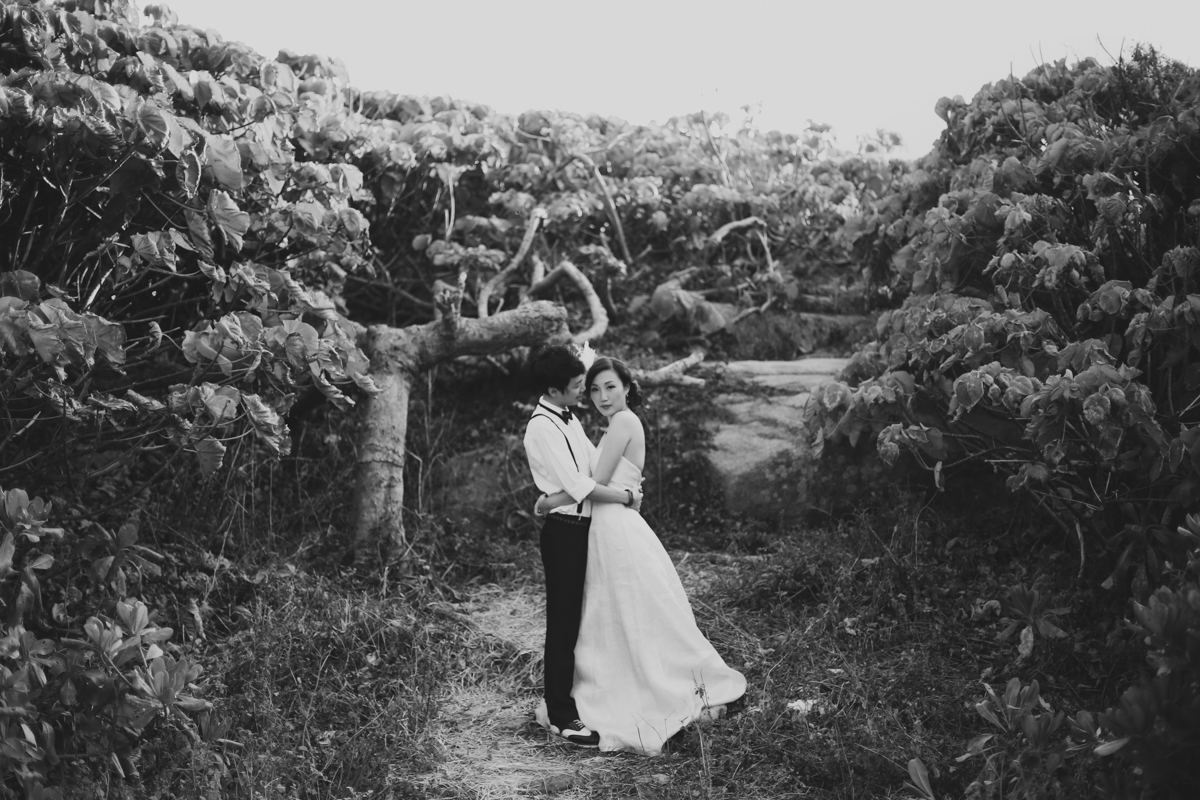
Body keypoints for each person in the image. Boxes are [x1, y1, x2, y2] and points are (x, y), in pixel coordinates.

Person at [535, 356, 746, 755]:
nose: (601, 396)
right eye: (594, 389)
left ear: (628, 387)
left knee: (627, 609)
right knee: (615, 611)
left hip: (615, 527)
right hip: (607, 526)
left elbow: (592, 484)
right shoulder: (614, 424)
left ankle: (644, 685)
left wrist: (547, 501)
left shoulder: (624, 423)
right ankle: (623, 676)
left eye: (610, 386)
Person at [522, 344, 643, 748]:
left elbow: (592, 465)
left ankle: (587, 695)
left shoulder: (569, 418)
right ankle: (561, 714)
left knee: (586, 617)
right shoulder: (541, 426)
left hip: (584, 525)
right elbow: (581, 486)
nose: (584, 392)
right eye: (578, 386)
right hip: (564, 530)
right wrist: (625, 498)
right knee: (563, 621)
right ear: (555, 389)